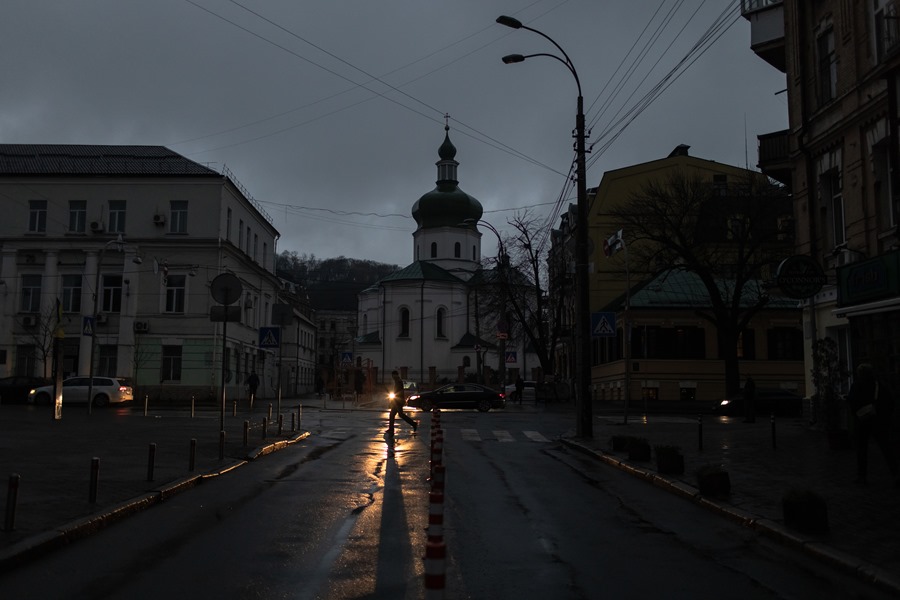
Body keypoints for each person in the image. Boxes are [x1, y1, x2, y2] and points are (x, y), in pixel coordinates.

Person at [847, 363, 900, 486]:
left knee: (862, 449)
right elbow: (890, 402)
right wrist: (884, 416)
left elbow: (852, 401)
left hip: (862, 422)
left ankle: (862, 476)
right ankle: (895, 473)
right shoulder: (879, 385)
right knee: (886, 447)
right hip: (878, 422)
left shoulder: (857, 385)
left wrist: (857, 414)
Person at [389, 370, 417, 439]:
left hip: (398, 402)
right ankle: (391, 430)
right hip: (397, 401)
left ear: (395, 375)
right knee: (392, 415)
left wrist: (395, 401)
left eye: (393, 375)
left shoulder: (398, 381)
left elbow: (399, 392)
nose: (392, 377)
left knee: (400, 414)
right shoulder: (398, 381)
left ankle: (413, 424)